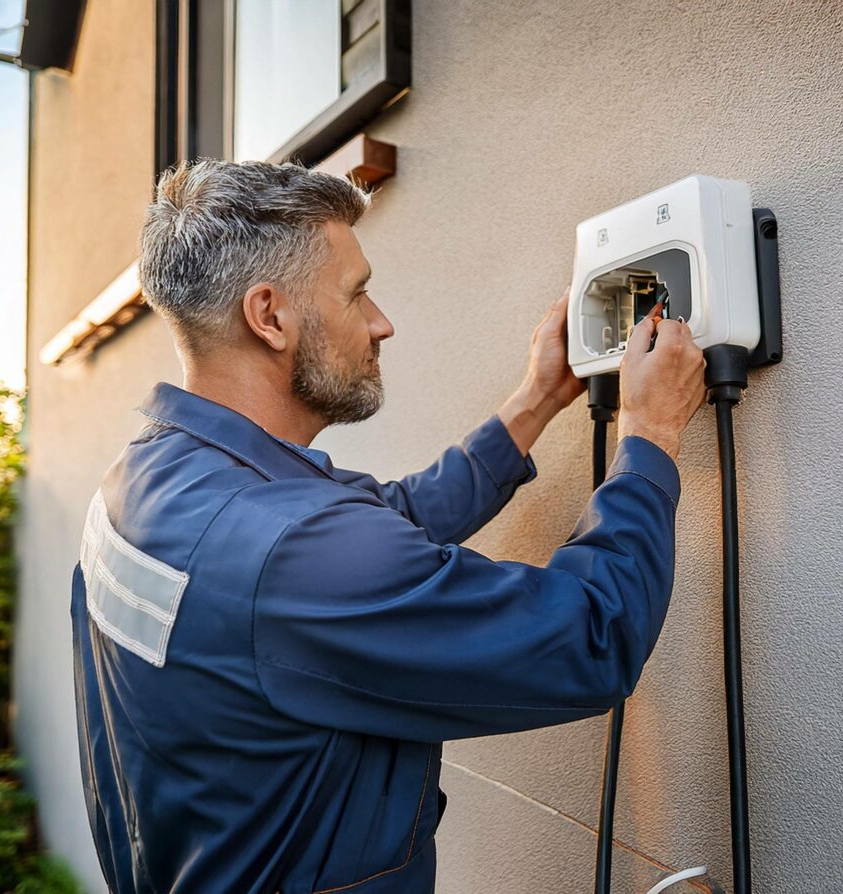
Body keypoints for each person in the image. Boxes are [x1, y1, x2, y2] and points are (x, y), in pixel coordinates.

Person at [71, 159, 707, 894]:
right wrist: (650, 433)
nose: (382, 322)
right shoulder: (292, 548)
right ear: (269, 316)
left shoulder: (148, 476)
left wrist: (535, 400)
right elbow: (591, 637)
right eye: (358, 292)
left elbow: (376, 530)